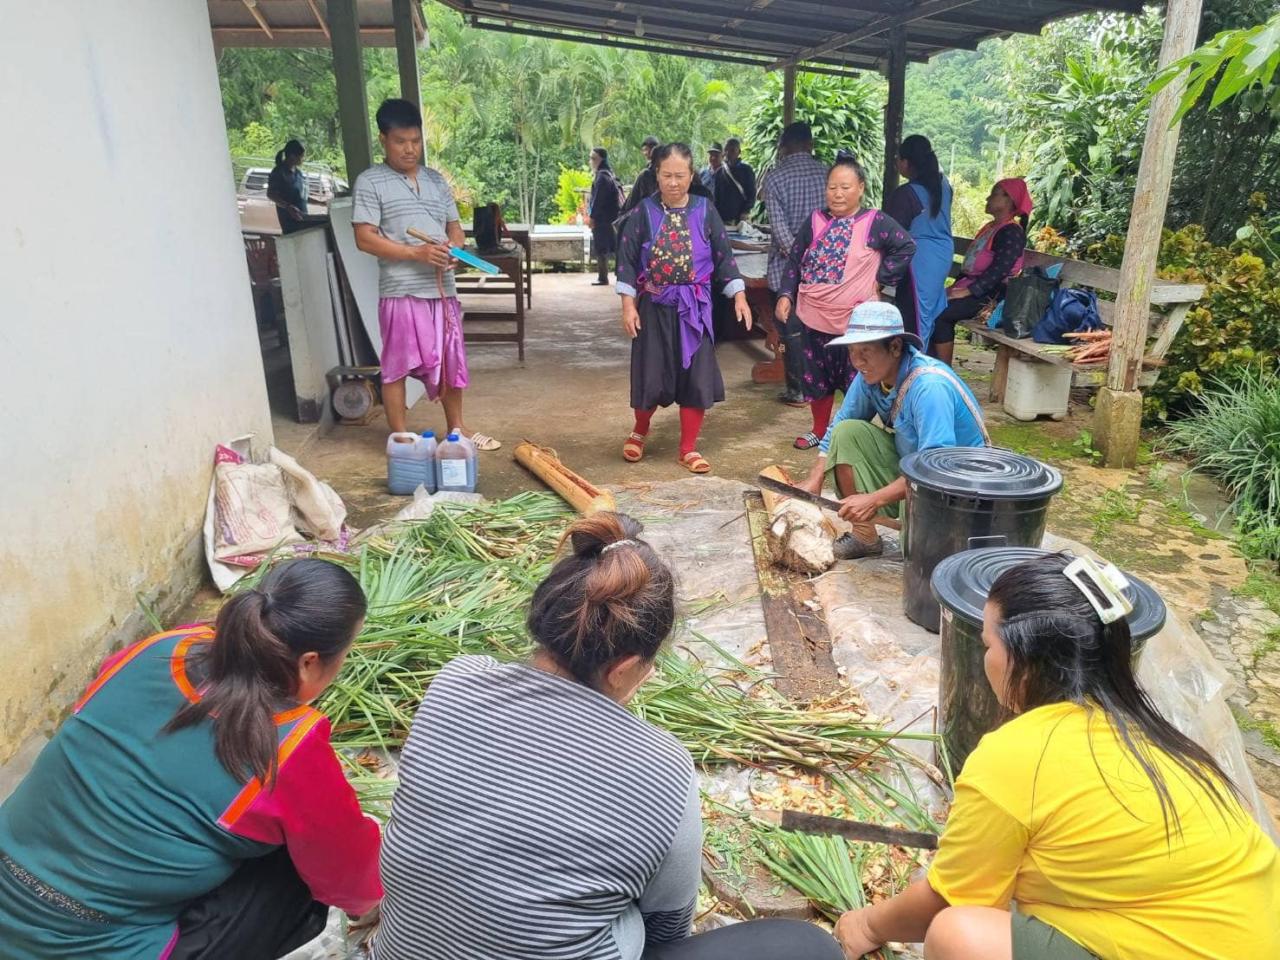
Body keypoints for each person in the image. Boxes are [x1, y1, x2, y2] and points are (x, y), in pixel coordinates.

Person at [372, 512, 845, 960]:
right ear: (622, 670)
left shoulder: (457, 680)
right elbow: (665, 930)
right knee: (810, 948)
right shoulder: (663, 769)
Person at [835, 552, 1280, 960]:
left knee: (959, 934)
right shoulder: (1159, 735)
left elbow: (949, 897)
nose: (985, 655)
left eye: (988, 643)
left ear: (1024, 658)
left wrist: (866, 924)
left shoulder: (1016, 753)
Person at [0, 559, 382, 959]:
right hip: (93, 946)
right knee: (299, 869)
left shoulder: (156, 649)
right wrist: (379, 908)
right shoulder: (289, 745)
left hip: (9, 889)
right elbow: (348, 879)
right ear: (309, 662)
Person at [352, 98, 499, 451]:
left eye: (416, 141)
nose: (410, 149)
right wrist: (414, 253)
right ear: (383, 139)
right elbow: (364, 238)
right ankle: (400, 434)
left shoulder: (435, 181)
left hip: (442, 290)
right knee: (397, 365)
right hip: (401, 290)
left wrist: (453, 250)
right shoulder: (371, 182)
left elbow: (454, 227)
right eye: (401, 141)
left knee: (451, 360)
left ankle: (457, 428)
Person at [798, 301, 987, 559]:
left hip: (959, 488)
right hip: (914, 467)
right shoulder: (871, 376)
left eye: (866, 350)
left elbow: (935, 468)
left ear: (895, 347)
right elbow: (838, 426)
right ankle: (865, 536)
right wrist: (814, 479)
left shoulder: (929, 386)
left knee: (925, 558)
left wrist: (874, 499)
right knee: (847, 432)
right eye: (852, 351)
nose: (857, 360)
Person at [614, 143, 752, 475]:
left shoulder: (706, 210)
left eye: (680, 175)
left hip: (695, 309)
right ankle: (640, 430)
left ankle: (688, 447)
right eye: (666, 175)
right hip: (654, 307)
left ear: (691, 176)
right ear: (656, 176)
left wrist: (739, 296)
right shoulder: (643, 213)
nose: (673, 182)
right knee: (650, 371)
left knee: (695, 376)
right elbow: (627, 262)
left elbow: (724, 257)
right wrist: (628, 305)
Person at [775, 157, 916, 451]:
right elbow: (794, 259)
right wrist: (786, 294)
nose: (837, 194)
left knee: (858, 378)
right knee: (816, 378)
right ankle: (819, 431)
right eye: (831, 187)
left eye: (845, 187)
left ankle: (853, 435)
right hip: (813, 317)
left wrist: (882, 277)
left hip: (856, 323)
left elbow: (905, 245)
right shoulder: (814, 221)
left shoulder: (874, 221)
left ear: (861, 188)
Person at [930, 177, 1032, 366]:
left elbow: (999, 271)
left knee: (941, 314)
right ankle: (928, 366)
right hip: (975, 288)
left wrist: (968, 291)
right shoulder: (991, 228)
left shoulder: (1012, 232)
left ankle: (943, 371)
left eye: (994, 194)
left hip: (992, 295)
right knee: (927, 305)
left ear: (1008, 200)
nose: (987, 198)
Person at [763, 121, 828, 408]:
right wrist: (818, 258)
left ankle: (798, 389)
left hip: (787, 267)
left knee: (790, 325)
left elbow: (778, 228)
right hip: (827, 265)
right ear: (810, 144)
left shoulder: (775, 177)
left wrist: (799, 260)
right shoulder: (828, 174)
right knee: (821, 325)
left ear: (784, 146)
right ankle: (822, 383)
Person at [884, 135, 954, 350]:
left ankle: (915, 367)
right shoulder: (944, 186)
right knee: (928, 313)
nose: (897, 164)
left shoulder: (907, 194)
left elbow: (889, 233)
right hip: (943, 255)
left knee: (916, 316)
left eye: (899, 159)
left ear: (906, 162)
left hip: (920, 259)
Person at [586, 146, 622, 286]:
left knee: (601, 247)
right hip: (612, 217)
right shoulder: (609, 173)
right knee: (613, 246)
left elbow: (598, 200)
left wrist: (592, 217)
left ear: (599, 159)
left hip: (603, 219)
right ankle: (616, 276)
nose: (590, 161)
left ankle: (603, 277)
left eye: (592, 158)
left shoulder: (602, 176)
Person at [267, 139, 310, 235]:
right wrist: (288, 207)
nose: (303, 159)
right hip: (290, 223)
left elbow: (301, 196)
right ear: (292, 156)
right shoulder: (279, 172)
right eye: (301, 156)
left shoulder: (298, 173)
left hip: (303, 219)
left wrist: (321, 202)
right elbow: (271, 194)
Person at [713, 137, 756, 226]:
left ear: (739, 152)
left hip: (740, 219)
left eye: (732, 150)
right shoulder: (719, 172)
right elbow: (716, 197)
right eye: (726, 150)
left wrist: (745, 211)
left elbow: (751, 194)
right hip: (722, 219)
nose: (728, 153)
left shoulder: (746, 170)